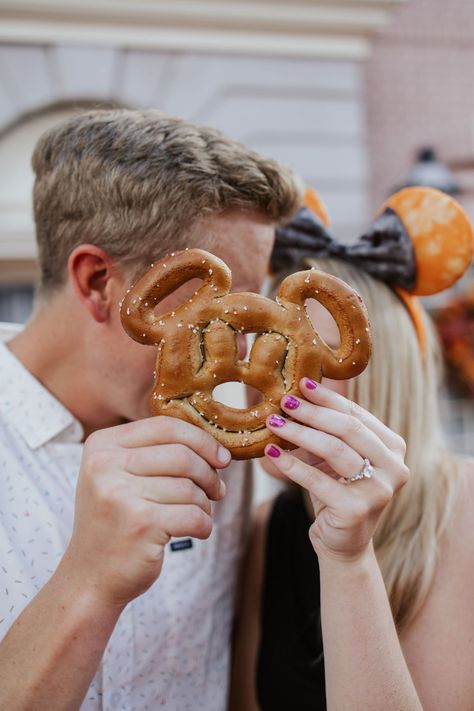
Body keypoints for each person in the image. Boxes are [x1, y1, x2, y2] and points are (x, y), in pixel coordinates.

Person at [0, 109, 303, 710]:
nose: (240, 354)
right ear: (97, 282)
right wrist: (89, 581)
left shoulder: (223, 447)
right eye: (215, 313)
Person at [230, 204, 474, 710]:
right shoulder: (265, 529)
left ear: (380, 376)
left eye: (305, 353)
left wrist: (348, 559)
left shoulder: (465, 512)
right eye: (264, 346)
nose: (264, 376)